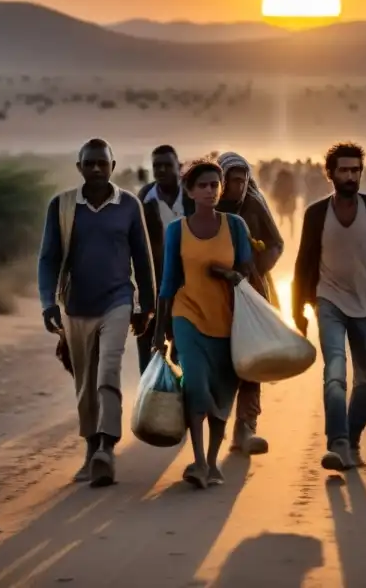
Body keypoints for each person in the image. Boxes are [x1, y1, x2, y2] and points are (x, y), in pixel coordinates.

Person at [37, 138, 156, 487]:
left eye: (102, 163)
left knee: (108, 371)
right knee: (85, 382)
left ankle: (107, 445)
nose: (96, 169)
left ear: (112, 166)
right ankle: (91, 451)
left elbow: (143, 260)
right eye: (89, 163)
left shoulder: (129, 206)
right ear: (79, 168)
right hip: (76, 305)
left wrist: (146, 307)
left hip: (118, 300)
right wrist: (48, 303)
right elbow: (48, 259)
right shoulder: (62, 207)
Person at [291, 142, 366, 472]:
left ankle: (353, 440)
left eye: (355, 170)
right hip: (328, 300)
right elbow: (303, 261)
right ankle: (337, 442)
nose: (350, 176)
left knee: (365, 379)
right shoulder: (316, 213)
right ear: (330, 174)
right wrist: (298, 306)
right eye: (344, 170)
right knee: (335, 373)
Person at [153, 159, 254, 489]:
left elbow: (247, 272)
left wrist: (227, 275)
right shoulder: (176, 231)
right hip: (188, 315)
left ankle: (212, 462)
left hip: (228, 321)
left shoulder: (235, 225)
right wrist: (159, 331)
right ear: (190, 191)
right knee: (196, 384)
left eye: (215, 185)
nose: (211, 191)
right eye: (203, 186)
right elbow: (168, 282)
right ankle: (197, 460)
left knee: (224, 392)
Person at [216, 151, 284, 456]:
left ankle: (245, 428)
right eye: (234, 180)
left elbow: (276, 243)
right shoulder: (205, 203)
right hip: (212, 293)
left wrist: (255, 271)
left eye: (244, 180)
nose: (241, 186)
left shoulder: (254, 204)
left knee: (251, 362)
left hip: (251, 290)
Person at [137, 145, 194, 374]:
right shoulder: (144, 199)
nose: (161, 170)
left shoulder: (192, 196)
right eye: (156, 166)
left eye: (166, 165)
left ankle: (188, 403)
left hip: (188, 286)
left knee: (186, 354)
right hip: (154, 284)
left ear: (178, 167)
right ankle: (151, 401)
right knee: (149, 353)